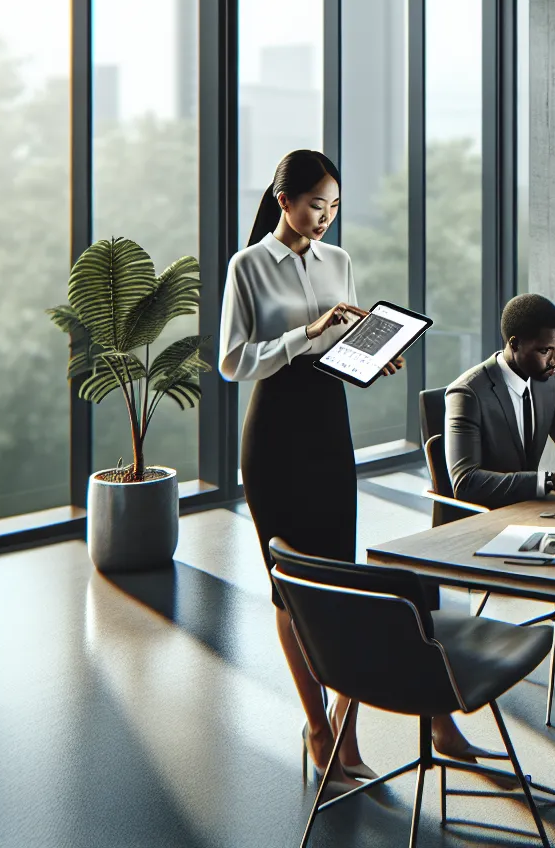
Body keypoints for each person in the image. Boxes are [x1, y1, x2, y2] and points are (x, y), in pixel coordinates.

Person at [219, 149, 405, 788]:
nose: (324, 218)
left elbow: (342, 348)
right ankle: (318, 727)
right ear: (283, 201)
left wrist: (371, 359)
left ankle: (346, 730)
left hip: (329, 427)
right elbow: (232, 362)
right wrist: (308, 332)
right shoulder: (247, 267)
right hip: (273, 433)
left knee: (343, 580)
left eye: (333, 208)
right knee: (288, 586)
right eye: (313, 205)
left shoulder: (340, 262)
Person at [445, 294, 555, 511]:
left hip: (530, 509)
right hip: (485, 518)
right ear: (515, 344)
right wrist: (550, 481)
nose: (554, 361)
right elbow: (466, 483)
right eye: (544, 351)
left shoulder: (550, 383)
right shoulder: (467, 393)